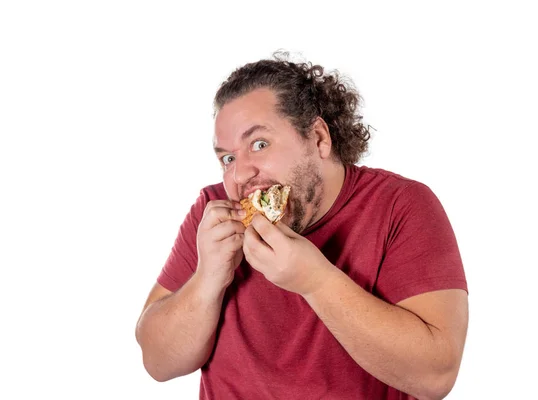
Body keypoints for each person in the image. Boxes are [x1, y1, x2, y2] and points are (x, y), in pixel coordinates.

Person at [135, 52, 469, 400]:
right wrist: (208, 279)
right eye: (228, 158)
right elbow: (158, 363)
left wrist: (315, 281)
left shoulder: (402, 205)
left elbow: (435, 376)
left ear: (319, 138)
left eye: (259, 144)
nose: (240, 174)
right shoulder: (213, 213)